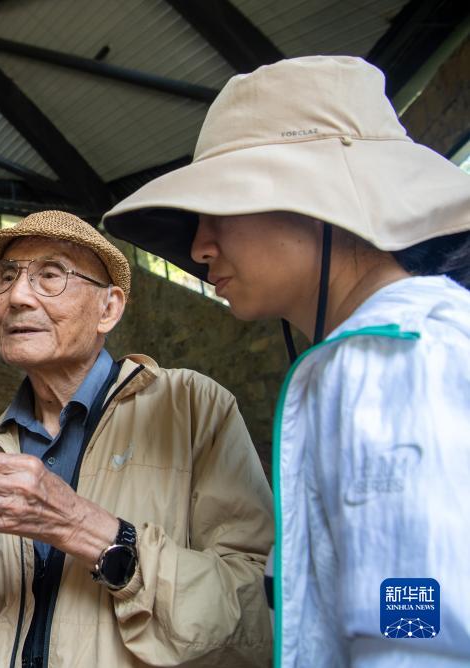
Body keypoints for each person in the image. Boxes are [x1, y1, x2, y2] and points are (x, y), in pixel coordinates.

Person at [103, 55, 470, 667]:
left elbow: (415, 623)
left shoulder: (394, 361)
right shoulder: (373, 356)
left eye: (221, 206)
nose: (198, 246)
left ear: (318, 200)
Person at [0, 210, 274, 667]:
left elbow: (260, 616)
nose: (15, 296)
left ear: (108, 308)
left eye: (49, 275)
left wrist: (83, 528)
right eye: (6, 277)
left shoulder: (192, 408)